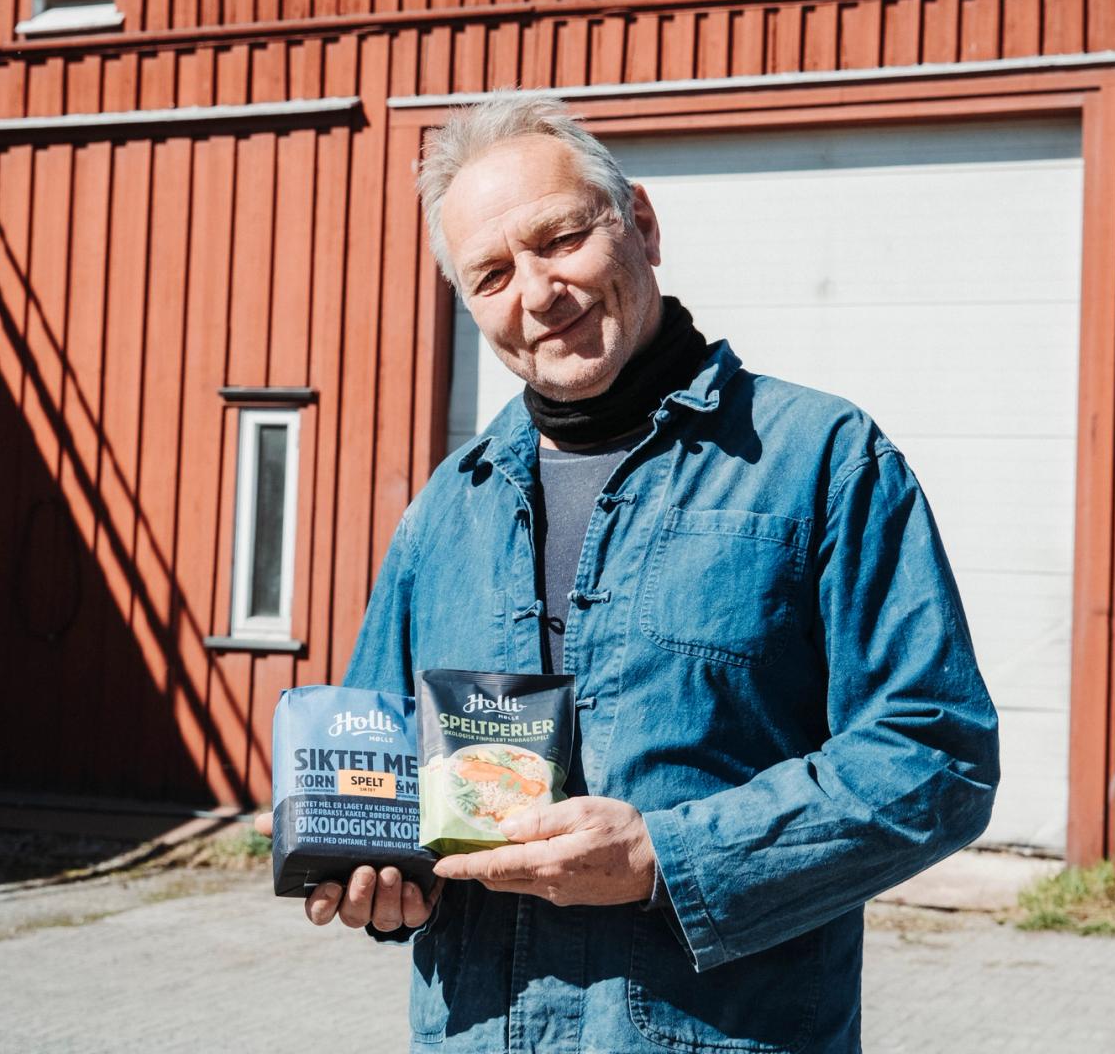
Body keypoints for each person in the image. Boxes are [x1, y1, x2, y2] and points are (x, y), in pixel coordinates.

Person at [255, 95, 1000, 1053]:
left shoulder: (821, 461)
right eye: (490, 275)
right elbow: (381, 782)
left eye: (561, 238)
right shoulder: (447, 511)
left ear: (640, 223)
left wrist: (664, 857)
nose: (537, 291)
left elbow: (936, 755)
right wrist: (381, 878)